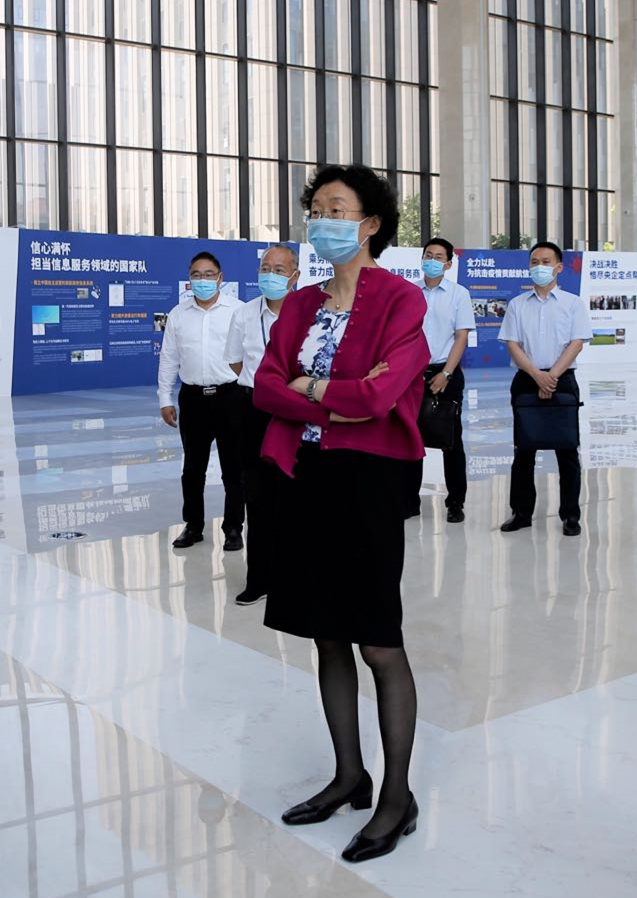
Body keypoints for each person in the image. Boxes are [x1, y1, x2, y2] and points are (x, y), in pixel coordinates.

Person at [253, 164, 429, 863]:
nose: (323, 220)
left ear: (371, 223)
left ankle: (397, 796)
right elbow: (266, 386)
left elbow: (380, 398)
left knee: (377, 641)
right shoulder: (299, 305)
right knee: (325, 634)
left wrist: (311, 387)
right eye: (316, 209)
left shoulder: (400, 300)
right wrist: (333, 396)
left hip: (370, 480)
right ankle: (349, 775)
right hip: (304, 476)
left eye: (337, 209)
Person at [498, 241, 592, 537]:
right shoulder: (517, 304)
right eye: (534, 261)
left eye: (546, 261)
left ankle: (570, 515)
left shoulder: (573, 303)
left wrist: (551, 376)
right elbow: (513, 344)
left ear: (559, 267)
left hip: (562, 379)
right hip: (527, 379)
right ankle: (521, 512)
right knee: (524, 450)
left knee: (567, 450)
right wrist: (537, 375)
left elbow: (576, 343)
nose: (539, 266)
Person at [224, 243, 300, 605]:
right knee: (257, 495)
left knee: (297, 494)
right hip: (253, 408)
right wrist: (264, 386)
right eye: (265, 268)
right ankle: (259, 578)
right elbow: (235, 361)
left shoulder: (310, 313)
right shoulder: (244, 314)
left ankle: (295, 576)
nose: (271, 275)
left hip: (297, 410)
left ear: (295, 276)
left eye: (279, 270)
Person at [158, 252, 246, 551]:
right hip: (193, 398)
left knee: (234, 468)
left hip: (231, 397)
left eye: (209, 274)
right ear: (189, 279)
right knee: (193, 469)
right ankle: (193, 526)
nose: (203, 280)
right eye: (196, 274)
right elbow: (169, 358)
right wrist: (165, 398)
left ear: (220, 278)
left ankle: (233, 527)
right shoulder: (178, 314)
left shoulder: (238, 311)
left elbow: (251, 355)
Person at [405, 237, 475, 523]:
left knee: (451, 439)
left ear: (448, 264)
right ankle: (409, 501)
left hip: (447, 372)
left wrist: (445, 373)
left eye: (438, 257)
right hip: (411, 375)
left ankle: (455, 502)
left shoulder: (459, 294)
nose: (432, 261)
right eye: (428, 255)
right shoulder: (409, 292)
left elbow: (461, 337)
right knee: (410, 438)